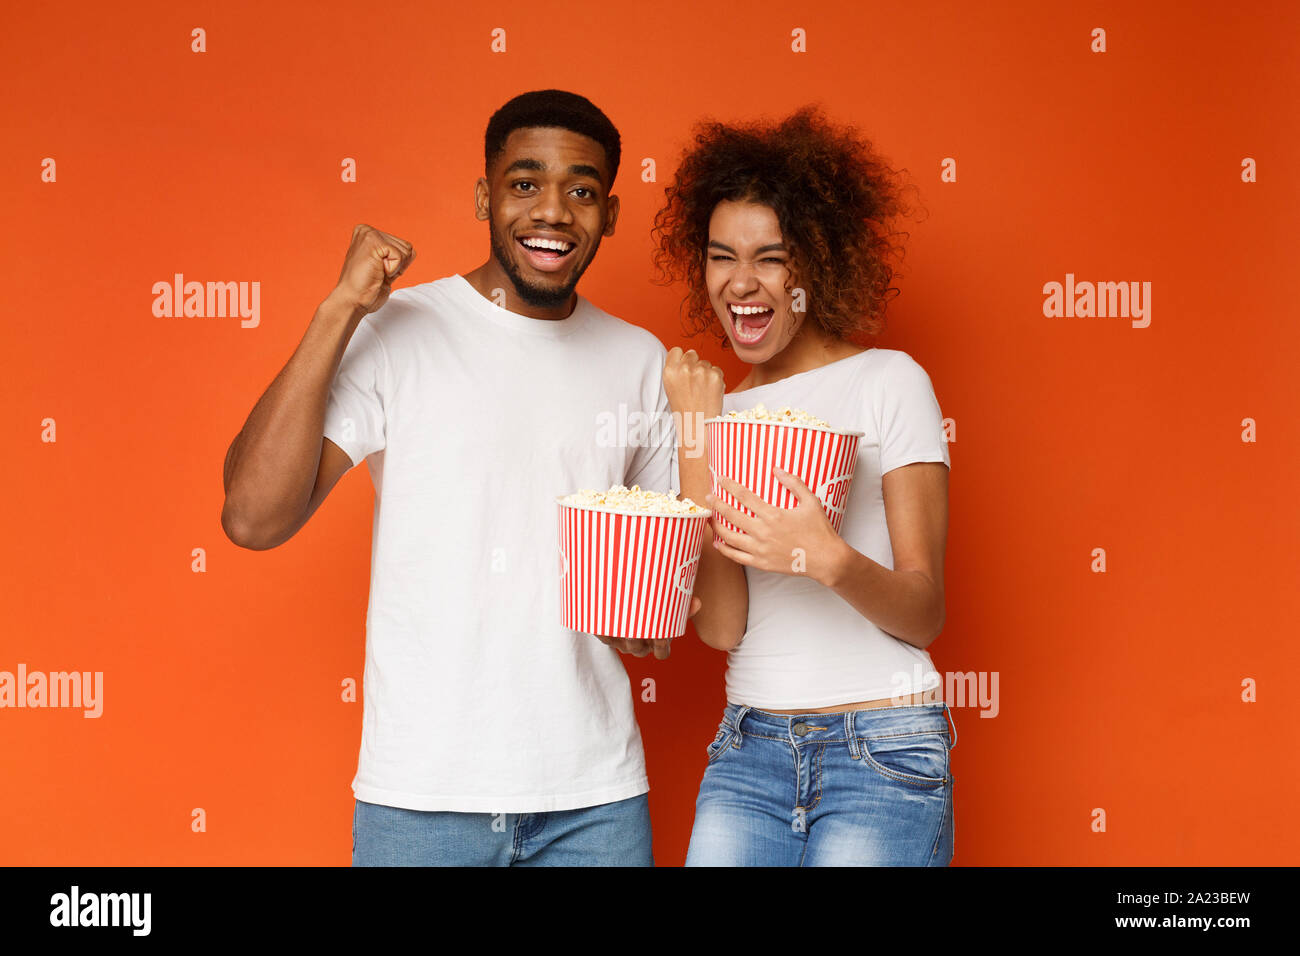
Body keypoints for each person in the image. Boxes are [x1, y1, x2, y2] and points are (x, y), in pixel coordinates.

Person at [221, 89, 684, 866]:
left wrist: (649, 622)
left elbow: (648, 612)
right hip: (422, 798)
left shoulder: (640, 361)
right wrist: (340, 309)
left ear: (609, 213)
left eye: (580, 190)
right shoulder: (400, 331)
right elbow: (252, 519)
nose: (553, 212)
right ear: (484, 196)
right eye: (525, 183)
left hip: (593, 800)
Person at [654, 105, 956, 866]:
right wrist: (699, 432)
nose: (743, 283)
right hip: (749, 748)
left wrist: (830, 559)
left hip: (881, 747)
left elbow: (924, 613)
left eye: (772, 258)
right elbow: (722, 628)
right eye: (722, 257)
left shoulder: (890, 382)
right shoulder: (712, 408)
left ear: (816, 264)